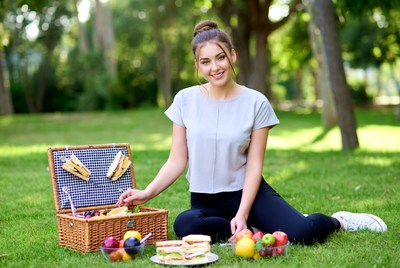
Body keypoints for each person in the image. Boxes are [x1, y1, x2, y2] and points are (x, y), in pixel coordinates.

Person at [117, 20, 387, 245]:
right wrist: (147, 193)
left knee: (302, 234)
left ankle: (339, 220)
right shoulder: (185, 100)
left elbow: (255, 165)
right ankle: (256, 228)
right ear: (198, 66)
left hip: (247, 193)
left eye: (221, 57)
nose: (215, 67)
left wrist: (243, 212)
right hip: (205, 202)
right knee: (185, 224)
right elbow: (177, 160)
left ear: (232, 55)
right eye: (206, 61)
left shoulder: (256, 102)